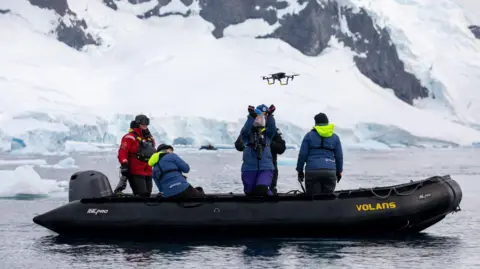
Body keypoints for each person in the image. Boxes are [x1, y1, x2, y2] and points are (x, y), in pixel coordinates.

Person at [296, 113, 343, 195]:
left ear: (316, 123)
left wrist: (300, 170)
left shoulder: (309, 136)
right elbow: (339, 157)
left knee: (313, 199)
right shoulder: (335, 137)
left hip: (312, 171)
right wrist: (339, 172)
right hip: (330, 171)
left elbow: (302, 155)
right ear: (327, 122)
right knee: (327, 200)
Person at [239, 104, 277, 196]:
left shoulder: (268, 133)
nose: (261, 118)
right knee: (249, 192)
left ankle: (269, 194)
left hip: (265, 167)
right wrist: (251, 117)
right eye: (258, 116)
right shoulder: (247, 133)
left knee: (262, 188)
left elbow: (272, 128)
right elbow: (245, 132)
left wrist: (271, 115)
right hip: (249, 168)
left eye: (264, 116)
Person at [114, 114, 156, 197]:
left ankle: (145, 208)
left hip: (148, 170)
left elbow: (154, 152)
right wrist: (124, 163)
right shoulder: (129, 137)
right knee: (141, 193)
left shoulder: (150, 138)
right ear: (137, 123)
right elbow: (123, 151)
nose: (145, 125)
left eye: (147, 122)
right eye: (143, 122)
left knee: (148, 193)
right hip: (135, 170)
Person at [235, 127, 286, 194]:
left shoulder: (273, 130)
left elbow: (281, 148)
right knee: (250, 192)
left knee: (264, 189)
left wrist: (267, 143)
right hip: (250, 169)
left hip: (268, 169)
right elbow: (238, 145)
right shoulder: (248, 129)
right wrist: (249, 143)